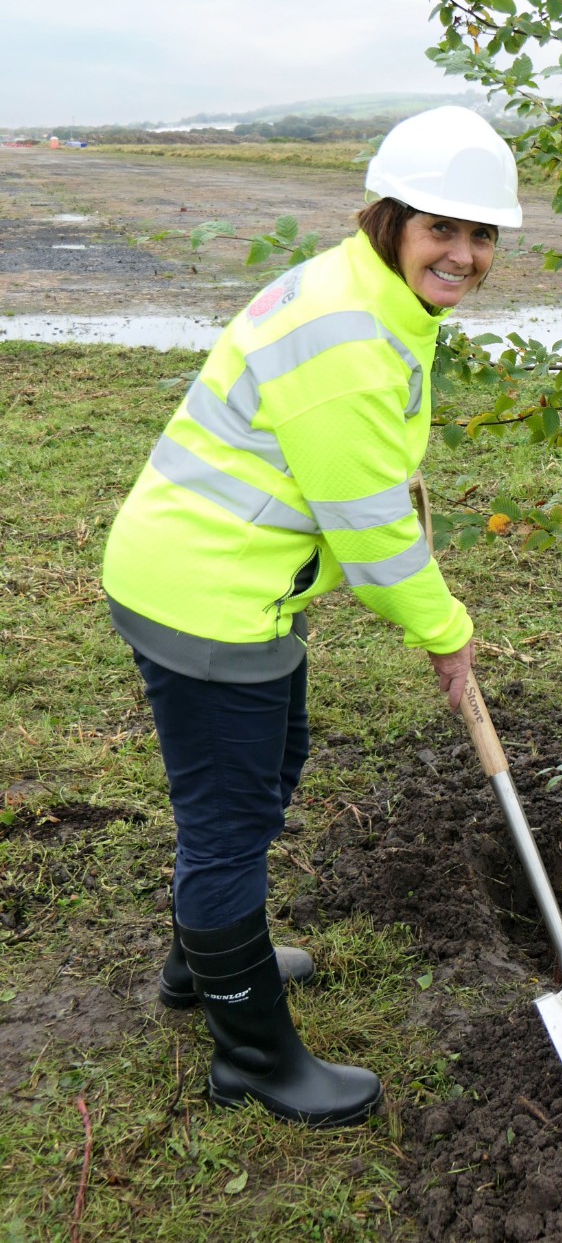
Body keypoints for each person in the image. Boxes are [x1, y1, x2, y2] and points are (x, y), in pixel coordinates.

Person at [102, 106, 521, 1127]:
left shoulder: (368, 295)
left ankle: (207, 960)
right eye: (440, 229)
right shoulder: (347, 329)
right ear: (389, 218)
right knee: (230, 821)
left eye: (480, 235)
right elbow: (375, 534)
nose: (462, 254)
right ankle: (251, 1053)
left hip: (239, 577)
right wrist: (447, 629)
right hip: (206, 591)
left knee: (261, 776)